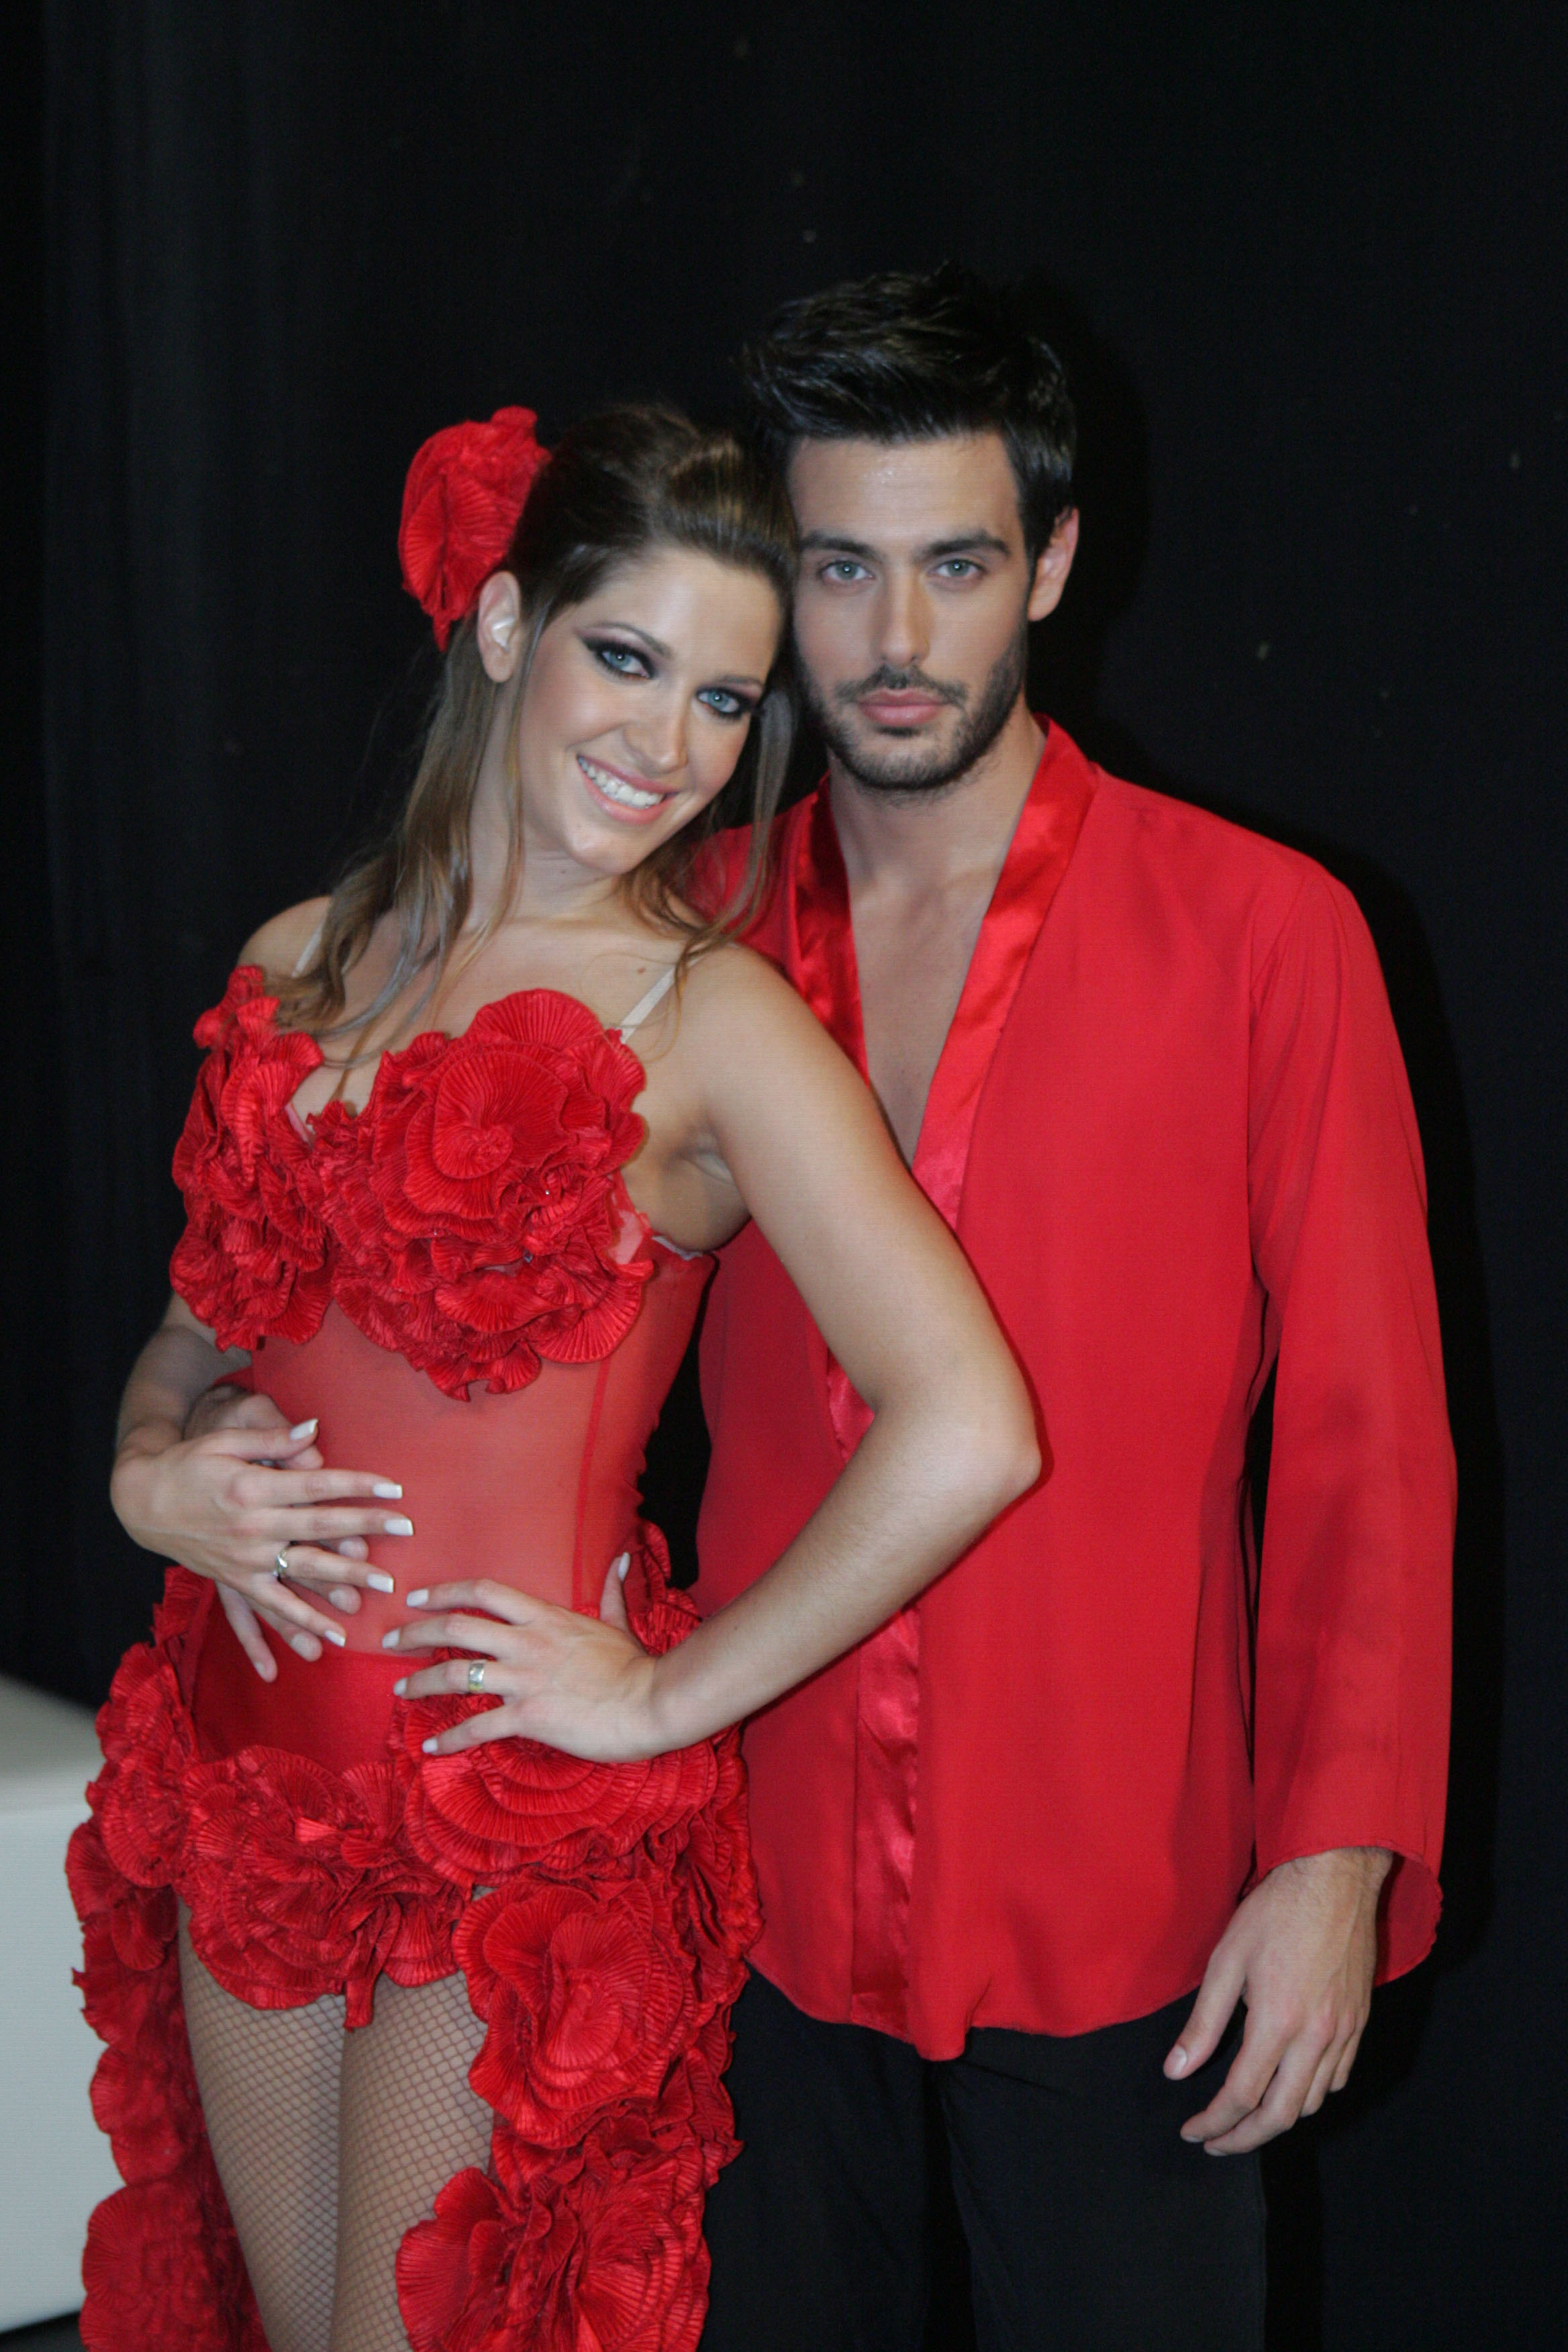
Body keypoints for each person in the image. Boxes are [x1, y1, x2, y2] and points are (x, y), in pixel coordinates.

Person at [70, 400, 1040, 2352]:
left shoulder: (714, 1019)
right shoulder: (298, 961)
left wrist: (669, 1692)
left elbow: (972, 1426)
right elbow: (197, 1325)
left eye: (723, 700)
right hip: (245, 1790)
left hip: (502, 1833)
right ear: (509, 625)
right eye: (629, 658)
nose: (668, 744)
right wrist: (147, 1465)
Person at [691, 268, 1456, 2352]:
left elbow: (1374, 1441)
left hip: (1130, 1914)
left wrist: (1338, 1858)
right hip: (749, 1893)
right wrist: (195, 1416)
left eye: (956, 565)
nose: (897, 637)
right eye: (840, 567)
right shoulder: (691, 935)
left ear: (1051, 562)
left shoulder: (1267, 936)